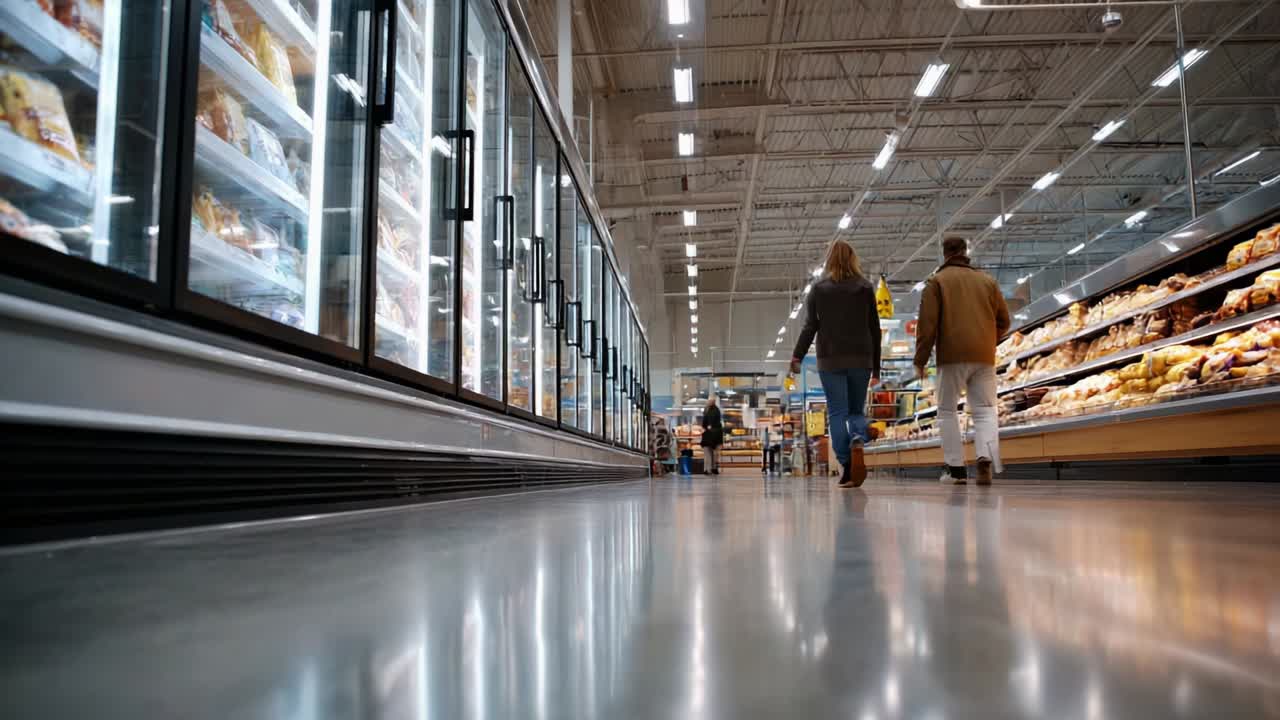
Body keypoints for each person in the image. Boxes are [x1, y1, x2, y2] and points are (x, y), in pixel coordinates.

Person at [913, 235, 1011, 485]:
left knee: (947, 411)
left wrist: (920, 360)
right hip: (984, 356)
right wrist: (989, 341)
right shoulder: (987, 281)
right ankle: (985, 458)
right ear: (966, 252)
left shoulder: (937, 282)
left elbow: (927, 325)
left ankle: (955, 469)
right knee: (986, 410)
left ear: (944, 254)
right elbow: (1004, 321)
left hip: (951, 355)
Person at [790, 241, 881, 488]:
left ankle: (846, 466)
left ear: (829, 261)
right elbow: (875, 329)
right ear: (854, 259)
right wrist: (877, 367)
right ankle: (859, 439)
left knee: (837, 413)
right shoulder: (865, 287)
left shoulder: (819, 289)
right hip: (861, 358)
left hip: (830, 360)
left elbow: (811, 326)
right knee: (855, 411)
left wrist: (797, 356)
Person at [700, 395, 724, 475]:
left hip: (710, 436)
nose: (708, 402)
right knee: (714, 454)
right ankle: (713, 468)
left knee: (708, 453)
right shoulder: (716, 410)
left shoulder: (709, 411)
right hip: (715, 436)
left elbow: (706, 422)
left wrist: (705, 428)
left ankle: (708, 469)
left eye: (709, 401)